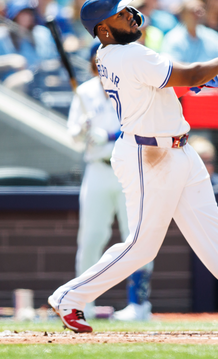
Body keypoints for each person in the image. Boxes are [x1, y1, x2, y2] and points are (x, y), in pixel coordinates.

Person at [47, 0, 218, 333]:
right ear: (103, 30)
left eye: (127, 8)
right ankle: (70, 296)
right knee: (142, 246)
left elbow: (168, 85)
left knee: (215, 239)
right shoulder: (125, 55)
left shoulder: (120, 54)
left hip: (180, 150)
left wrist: (200, 80)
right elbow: (184, 75)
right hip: (148, 156)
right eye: (119, 13)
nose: (129, 14)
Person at [68, 42, 155, 322]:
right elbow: (72, 135)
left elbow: (140, 126)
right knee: (91, 238)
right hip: (97, 169)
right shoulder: (84, 92)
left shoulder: (132, 87)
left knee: (137, 236)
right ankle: (82, 305)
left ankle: (139, 305)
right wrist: (83, 131)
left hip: (129, 169)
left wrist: (106, 135)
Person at [0, 0, 58, 83]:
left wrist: (43, 68)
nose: (26, 17)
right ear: (13, 17)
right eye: (22, 13)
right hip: (5, 86)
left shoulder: (42, 33)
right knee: (22, 80)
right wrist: (9, 61)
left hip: (39, 81)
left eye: (29, 13)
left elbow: (55, 60)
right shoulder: (0, 34)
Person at [161, 0, 218, 65]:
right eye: (193, 11)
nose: (198, 15)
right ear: (183, 14)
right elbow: (171, 65)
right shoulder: (173, 38)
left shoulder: (212, 36)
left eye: (201, 11)